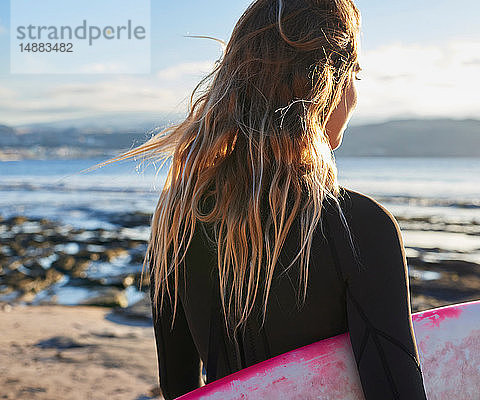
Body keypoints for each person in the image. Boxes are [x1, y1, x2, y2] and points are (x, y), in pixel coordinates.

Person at [97, 0, 428, 398]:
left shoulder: (179, 220)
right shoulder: (358, 228)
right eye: (354, 73)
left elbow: (179, 389)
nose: (356, 94)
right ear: (327, 85)